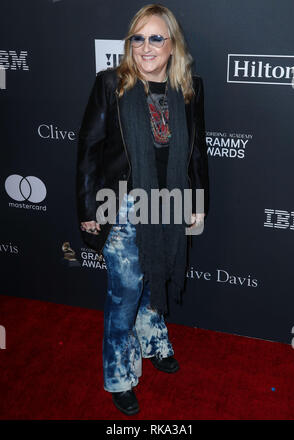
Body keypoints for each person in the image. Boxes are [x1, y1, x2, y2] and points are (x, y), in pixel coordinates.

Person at [76, 3, 209, 416]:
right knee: (125, 293)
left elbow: (196, 153)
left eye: (156, 38)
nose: (146, 47)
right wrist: (88, 207)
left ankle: (153, 340)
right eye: (138, 37)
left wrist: (197, 203)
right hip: (121, 206)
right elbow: (89, 151)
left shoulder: (190, 88)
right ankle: (118, 375)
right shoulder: (110, 85)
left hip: (170, 200)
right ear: (129, 43)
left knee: (157, 278)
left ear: (173, 46)